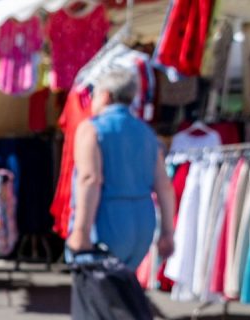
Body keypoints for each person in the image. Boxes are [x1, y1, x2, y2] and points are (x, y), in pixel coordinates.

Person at [67, 68, 175, 268]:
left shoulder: (92, 128)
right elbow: (164, 186)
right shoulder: (147, 133)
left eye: (94, 94)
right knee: (123, 292)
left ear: (105, 96)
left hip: (108, 222)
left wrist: (81, 230)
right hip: (143, 225)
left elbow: (90, 179)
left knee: (98, 293)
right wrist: (168, 232)